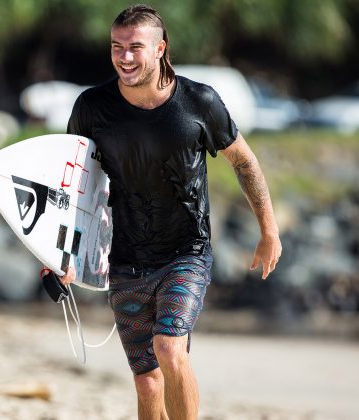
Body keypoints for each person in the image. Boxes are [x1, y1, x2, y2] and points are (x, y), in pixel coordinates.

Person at [59, 4, 282, 420]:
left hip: (186, 252)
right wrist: (64, 257)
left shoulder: (199, 101)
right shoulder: (92, 107)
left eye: (135, 48)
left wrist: (269, 230)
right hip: (125, 259)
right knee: (147, 382)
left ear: (160, 48)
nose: (124, 57)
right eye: (116, 47)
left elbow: (244, 162)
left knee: (169, 349)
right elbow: (74, 185)